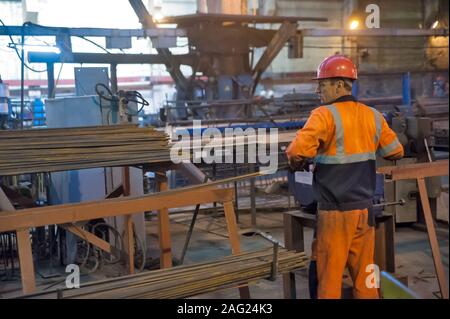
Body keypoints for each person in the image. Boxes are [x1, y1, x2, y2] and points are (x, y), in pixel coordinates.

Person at [286, 55, 404, 299]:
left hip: (335, 216)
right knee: (365, 278)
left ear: (339, 84)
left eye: (323, 84)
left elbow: (296, 152)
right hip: (365, 212)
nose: (318, 90)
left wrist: (298, 162)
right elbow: (396, 151)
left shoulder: (324, 115)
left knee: (327, 279)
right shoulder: (373, 116)